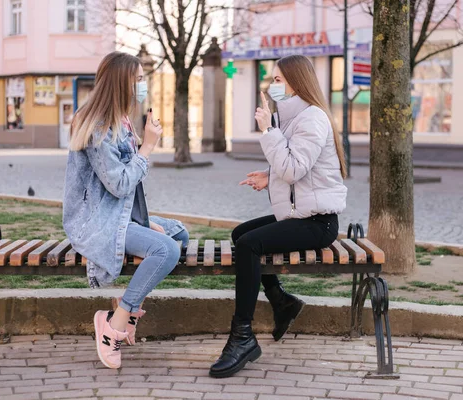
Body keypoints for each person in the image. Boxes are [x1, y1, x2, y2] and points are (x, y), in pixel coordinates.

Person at [210, 55, 348, 378]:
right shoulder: (296, 118)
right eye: (272, 80)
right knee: (241, 234)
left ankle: (242, 336)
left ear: (295, 83)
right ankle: (281, 301)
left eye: (277, 80)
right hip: (300, 216)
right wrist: (268, 175)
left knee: (249, 246)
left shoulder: (313, 119)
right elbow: (291, 166)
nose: (272, 86)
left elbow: (293, 167)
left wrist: (267, 130)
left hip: (317, 223)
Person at [63, 51, 188, 369]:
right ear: (123, 84)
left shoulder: (121, 120)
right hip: (98, 220)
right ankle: (113, 324)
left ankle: (127, 308)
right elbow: (118, 184)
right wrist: (147, 147)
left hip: (120, 213)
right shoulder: (98, 126)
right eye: (140, 80)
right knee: (167, 251)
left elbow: (125, 187)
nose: (143, 86)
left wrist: (144, 224)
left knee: (179, 232)